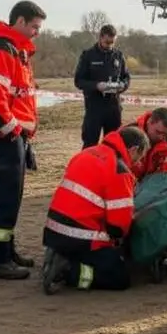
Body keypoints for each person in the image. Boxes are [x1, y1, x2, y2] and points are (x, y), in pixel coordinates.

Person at [0, 0, 47, 280]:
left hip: (13, 133)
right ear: (19, 21)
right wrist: (14, 130)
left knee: (12, 196)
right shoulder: (1, 49)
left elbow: (17, 97)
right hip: (5, 133)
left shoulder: (17, 51)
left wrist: (24, 132)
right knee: (5, 197)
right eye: (34, 26)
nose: (36, 32)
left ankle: (6, 251)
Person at [40, 126, 150, 295]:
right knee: (119, 277)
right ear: (133, 149)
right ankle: (68, 271)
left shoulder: (87, 152)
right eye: (139, 157)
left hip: (53, 230)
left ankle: (59, 255)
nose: (138, 163)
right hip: (78, 237)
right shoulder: (119, 169)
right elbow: (118, 226)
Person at [74, 24, 131, 148]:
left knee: (113, 144)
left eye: (112, 43)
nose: (109, 46)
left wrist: (122, 86)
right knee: (90, 144)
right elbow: (79, 81)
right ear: (100, 37)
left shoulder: (118, 55)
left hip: (113, 107)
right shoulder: (88, 55)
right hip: (94, 107)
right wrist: (96, 85)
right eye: (107, 42)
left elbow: (126, 77)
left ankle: (110, 167)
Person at [126, 107, 167, 181]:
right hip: (126, 184)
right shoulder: (127, 134)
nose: (161, 137)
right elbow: (113, 166)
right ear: (149, 122)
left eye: (165, 134)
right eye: (158, 132)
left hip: (150, 187)